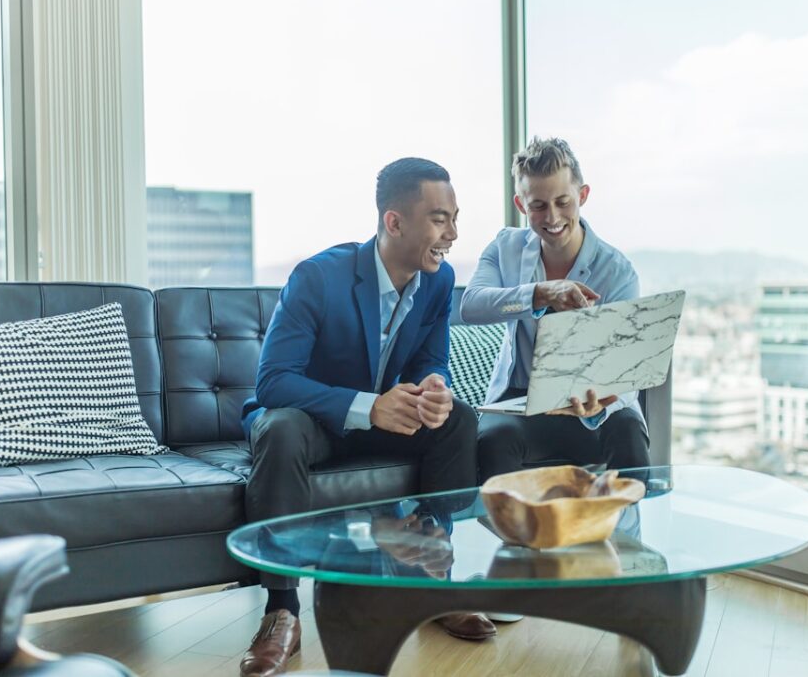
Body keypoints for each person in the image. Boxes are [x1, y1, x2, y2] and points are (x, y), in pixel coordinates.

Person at [238, 158, 491, 677]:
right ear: (394, 222)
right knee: (279, 428)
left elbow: (431, 359)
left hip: (382, 420)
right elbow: (274, 381)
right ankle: (282, 611)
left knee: (458, 420)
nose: (453, 234)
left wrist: (434, 386)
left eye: (455, 218)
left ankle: (431, 577)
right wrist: (368, 406)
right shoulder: (317, 277)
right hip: (311, 422)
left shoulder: (439, 281)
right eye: (439, 219)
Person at [460, 137, 651, 483]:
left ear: (583, 195)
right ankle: (508, 522)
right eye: (538, 205)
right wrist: (539, 294)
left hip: (591, 403)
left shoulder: (617, 271)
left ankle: (631, 520)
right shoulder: (505, 248)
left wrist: (601, 402)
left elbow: (626, 371)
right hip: (520, 402)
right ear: (520, 204)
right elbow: (471, 306)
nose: (552, 217)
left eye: (563, 202)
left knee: (628, 431)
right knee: (494, 439)